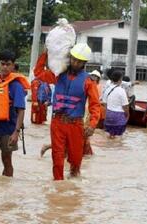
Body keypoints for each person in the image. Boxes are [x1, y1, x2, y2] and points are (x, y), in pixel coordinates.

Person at [34, 43, 100, 180]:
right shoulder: (58, 75)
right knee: (57, 160)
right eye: (73, 59)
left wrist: (92, 124)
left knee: (76, 160)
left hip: (76, 125)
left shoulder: (89, 81)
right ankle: (58, 188)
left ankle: (73, 189)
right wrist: (45, 53)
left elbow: (95, 106)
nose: (75, 63)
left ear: (84, 63)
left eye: (79, 61)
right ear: (69, 58)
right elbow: (38, 72)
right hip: (57, 123)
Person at [0, 50, 30, 177]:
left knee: (6, 159)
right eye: (2, 64)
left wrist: (16, 132)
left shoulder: (16, 86)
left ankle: (7, 186)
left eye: (8, 64)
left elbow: (21, 110)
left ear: (13, 65)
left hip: (9, 129)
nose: (5, 67)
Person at [102, 70, 129, 138]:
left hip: (108, 116)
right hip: (118, 116)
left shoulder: (107, 89)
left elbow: (105, 104)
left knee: (109, 136)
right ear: (120, 79)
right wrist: (127, 115)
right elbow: (125, 106)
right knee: (118, 139)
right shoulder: (121, 90)